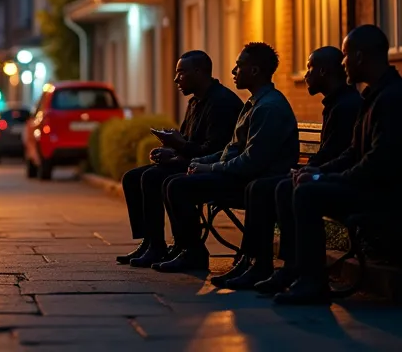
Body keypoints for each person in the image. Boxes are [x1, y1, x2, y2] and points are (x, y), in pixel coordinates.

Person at [270, 25, 402, 305]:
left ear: (360, 56)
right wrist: (318, 172)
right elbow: (353, 152)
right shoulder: (376, 95)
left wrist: (322, 182)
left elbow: (378, 165)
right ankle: (297, 271)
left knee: (307, 194)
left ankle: (313, 283)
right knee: (292, 187)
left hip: (394, 195)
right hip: (376, 187)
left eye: (345, 55)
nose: (342, 62)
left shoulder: (394, 99)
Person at [212, 46, 361, 290]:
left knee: (271, 188)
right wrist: (312, 169)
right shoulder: (337, 103)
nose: (306, 74)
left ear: (323, 71)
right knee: (265, 188)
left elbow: (346, 155)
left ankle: (288, 270)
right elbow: (339, 152)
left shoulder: (346, 105)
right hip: (332, 175)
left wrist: (314, 171)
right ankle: (259, 263)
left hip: (348, 182)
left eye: (310, 67)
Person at [155, 42, 299, 273]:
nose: (233, 72)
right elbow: (231, 150)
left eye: (238, 66)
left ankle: (194, 254)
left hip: (255, 181)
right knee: (174, 181)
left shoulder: (268, 107)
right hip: (244, 176)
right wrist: (200, 162)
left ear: (254, 70)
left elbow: (251, 162)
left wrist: (210, 169)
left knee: (178, 185)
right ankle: (187, 250)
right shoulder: (254, 103)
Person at [116, 51, 242, 268]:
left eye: (181, 73)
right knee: (132, 178)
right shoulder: (195, 102)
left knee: (153, 178)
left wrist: (179, 148)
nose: (176, 79)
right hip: (193, 162)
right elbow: (187, 142)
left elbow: (215, 150)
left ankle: (179, 247)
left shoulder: (221, 103)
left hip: (213, 167)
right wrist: (169, 149)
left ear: (199, 72)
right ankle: (151, 242)